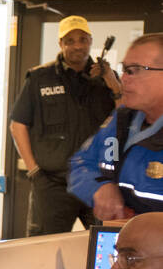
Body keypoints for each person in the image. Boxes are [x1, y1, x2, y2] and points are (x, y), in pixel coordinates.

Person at [9, 15, 120, 236]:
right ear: (60, 43)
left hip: (97, 181)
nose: (77, 45)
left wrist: (110, 79)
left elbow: (125, 114)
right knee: (45, 251)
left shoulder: (106, 76)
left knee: (106, 245)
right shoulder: (40, 77)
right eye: (70, 40)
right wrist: (34, 171)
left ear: (90, 41)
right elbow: (18, 124)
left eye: (83, 39)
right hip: (52, 184)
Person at [69, 34, 163, 220]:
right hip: (116, 244)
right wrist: (100, 187)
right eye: (124, 69)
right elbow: (80, 163)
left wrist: (143, 225)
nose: (124, 78)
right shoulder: (121, 120)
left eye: (134, 70)